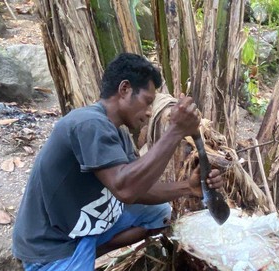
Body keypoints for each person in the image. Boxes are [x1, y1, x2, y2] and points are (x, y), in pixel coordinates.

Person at [12, 53, 225, 270]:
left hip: (81, 227)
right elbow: (126, 190)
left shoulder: (118, 135)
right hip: (52, 246)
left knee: (159, 215)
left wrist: (188, 187)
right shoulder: (87, 123)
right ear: (124, 89)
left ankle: (90, 250)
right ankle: (79, 257)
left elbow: (139, 191)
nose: (150, 112)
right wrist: (176, 131)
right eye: (147, 102)